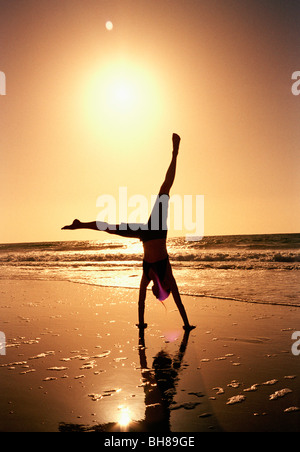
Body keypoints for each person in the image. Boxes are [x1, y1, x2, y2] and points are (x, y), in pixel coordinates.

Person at [62, 133, 195, 331]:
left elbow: (140, 302)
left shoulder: (148, 275)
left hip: (143, 234)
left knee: (111, 229)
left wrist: (141, 324)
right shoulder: (167, 277)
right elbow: (179, 302)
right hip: (156, 231)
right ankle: (175, 153)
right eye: (156, 292)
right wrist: (186, 324)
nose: (152, 290)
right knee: (164, 189)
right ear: (161, 289)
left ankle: (80, 224)